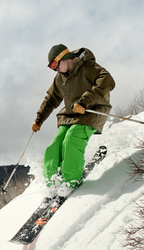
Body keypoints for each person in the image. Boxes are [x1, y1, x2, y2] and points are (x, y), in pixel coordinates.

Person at [32, 44, 115, 192]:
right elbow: (51, 99)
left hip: (92, 111)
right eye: (51, 67)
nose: (54, 69)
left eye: (55, 64)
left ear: (63, 57)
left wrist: (85, 101)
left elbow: (107, 80)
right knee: (55, 145)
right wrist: (39, 119)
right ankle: (52, 183)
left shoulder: (87, 66)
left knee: (71, 139)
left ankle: (70, 181)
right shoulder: (60, 78)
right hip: (71, 115)